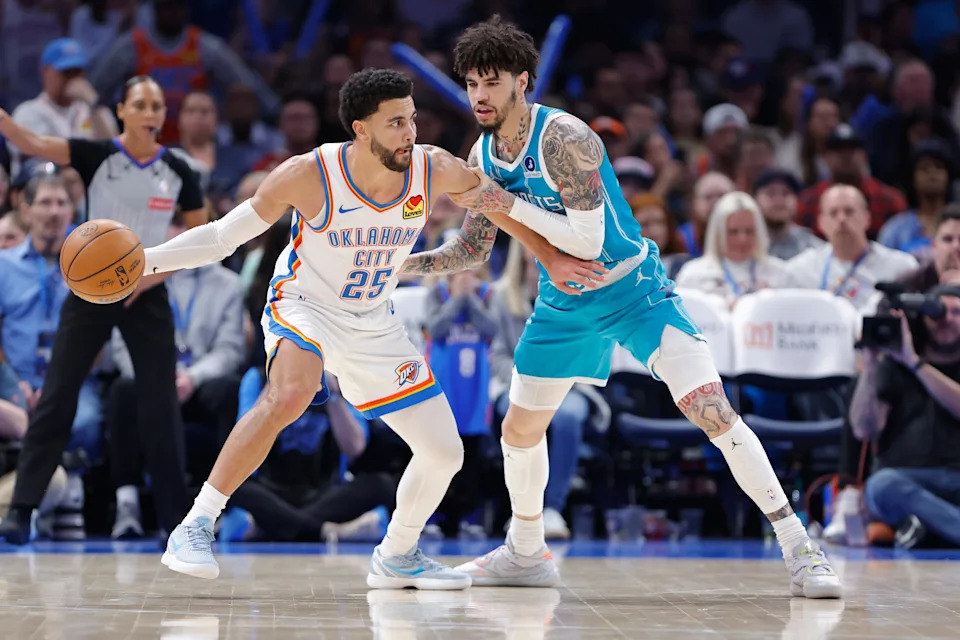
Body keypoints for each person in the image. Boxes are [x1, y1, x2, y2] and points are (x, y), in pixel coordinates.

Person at [402, 15, 842, 598]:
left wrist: (503, 200)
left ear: (522, 82)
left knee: (712, 412)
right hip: (564, 301)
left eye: (492, 82)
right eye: (472, 84)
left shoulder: (566, 138)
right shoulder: (482, 155)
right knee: (519, 431)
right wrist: (395, 264)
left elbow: (584, 242)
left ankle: (800, 549)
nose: (479, 95)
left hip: (634, 290)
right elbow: (472, 248)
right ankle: (526, 552)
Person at [138, 68, 599, 589]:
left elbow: (497, 207)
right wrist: (146, 260)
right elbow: (223, 237)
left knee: (444, 452)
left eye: (413, 119)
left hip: (374, 321)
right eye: (397, 123)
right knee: (291, 393)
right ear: (360, 130)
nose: (411, 133)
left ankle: (398, 553)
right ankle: (196, 524)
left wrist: (549, 257)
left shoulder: (433, 169)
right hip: (305, 304)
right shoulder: (307, 175)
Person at [0, 75, 206, 545]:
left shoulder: (178, 169)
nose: (152, 112)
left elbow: (203, 235)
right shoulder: (98, 155)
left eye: (157, 104)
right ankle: (22, 508)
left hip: (147, 288)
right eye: (141, 104)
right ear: (122, 112)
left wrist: (148, 273)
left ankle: (175, 520)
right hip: (90, 286)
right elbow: (31, 142)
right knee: (57, 396)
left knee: (159, 406)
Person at [848, 287, 960, 549]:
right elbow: (863, 429)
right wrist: (872, 362)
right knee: (881, 486)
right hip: (906, 479)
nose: (946, 319)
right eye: (938, 312)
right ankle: (938, 527)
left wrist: (916, 364)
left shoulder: (910, 362)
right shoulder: (893, 365)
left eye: (957, 312)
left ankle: (927, 528)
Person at [787, 185, 918, 314]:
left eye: (849, 212)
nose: (842, 219)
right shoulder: (801, 269)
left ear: (867, 218)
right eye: (833, 213)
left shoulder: (901, 266)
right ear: (821, 223)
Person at [675, 191, 794, 307]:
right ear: (718, 233)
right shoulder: (693, 274)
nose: (742, 239)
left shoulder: (780, 274)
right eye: (733, 232)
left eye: (749, 231)